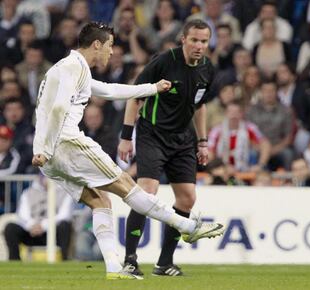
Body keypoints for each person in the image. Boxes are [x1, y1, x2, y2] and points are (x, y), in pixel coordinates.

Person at [32, 22, 224, 280]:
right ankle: (187, 225)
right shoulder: (72, 67)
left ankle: (114, 268)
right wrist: (45, 148)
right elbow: (57, 109)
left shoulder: (71, 69)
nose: (111, 52)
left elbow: (110, 90)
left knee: (100, 199)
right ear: (97, 44)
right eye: (110, 46)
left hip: (50, 158)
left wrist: (152, 88)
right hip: (65, 143)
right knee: (127, 185)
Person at [118, 19, 216, 277]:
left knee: (187, 198)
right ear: (183, 39)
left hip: (183, 139)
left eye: (204, 41)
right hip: (153, 134)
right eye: (194, 40)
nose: (199, 46)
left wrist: (203, 142)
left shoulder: (207, 69)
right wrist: (126, 137)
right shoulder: (163, 62)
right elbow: (135, 96)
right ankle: (129, 260)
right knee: (147, 192)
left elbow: (200, 105)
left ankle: (164, 263)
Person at [4, 174, 73, 261]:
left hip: (53, 232)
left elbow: (64, 215)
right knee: (10, 228)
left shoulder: (65, 193)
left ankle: (65, 260)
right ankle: (14, 261)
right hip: (32, 232)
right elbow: (22, 215)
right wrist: (32, 225)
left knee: (65, 225)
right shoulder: (28, 193)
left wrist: (44, 226)